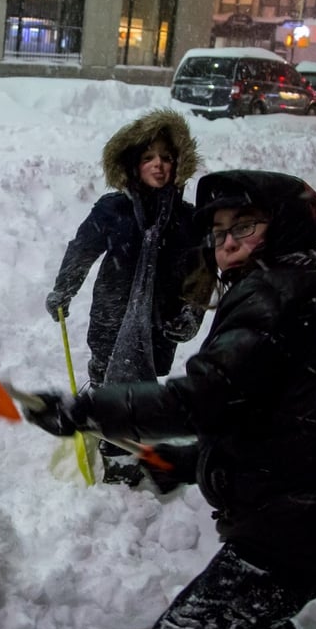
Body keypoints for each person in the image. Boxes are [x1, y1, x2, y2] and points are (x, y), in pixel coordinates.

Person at [21, 169, 316, 629]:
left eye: (245, 226)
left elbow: (199, 400)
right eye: (220, 231)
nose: (228, 241)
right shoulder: (291, 285)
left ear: (283, 227)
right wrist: (187, 461)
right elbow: (252, 409)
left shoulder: (276, 293)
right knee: (247, 615)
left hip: (314, 514)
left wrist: (87, 412)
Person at [44, 109, 210, 486]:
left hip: (157, 323)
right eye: (149, 157)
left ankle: (131, 444)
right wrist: (64, 288)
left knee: (143, 389)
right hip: (111, 316)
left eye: (166, 158)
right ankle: (112, 450)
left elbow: (201, 275)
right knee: (107, 380)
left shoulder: (187, 221)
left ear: (178, 164)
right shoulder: (113, 210)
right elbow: (82, 249)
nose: (158, 165)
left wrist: (192, 315)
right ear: (133, 165)